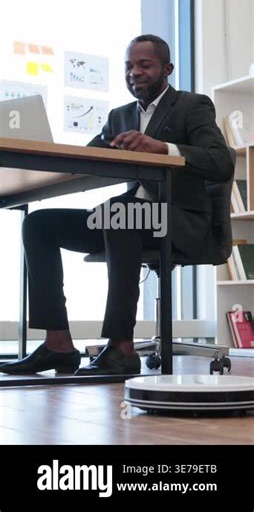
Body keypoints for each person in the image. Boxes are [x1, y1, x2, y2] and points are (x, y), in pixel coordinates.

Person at [0, 34, 234, 376]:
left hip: (180, 223)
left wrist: (163, 148)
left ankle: (121, 348)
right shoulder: (119, 116)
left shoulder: (191, 106)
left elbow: (220, 162)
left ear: (167, 69)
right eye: (128, 66)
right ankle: (58, 345)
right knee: (39, 224)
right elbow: (86, 161)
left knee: (119, 215)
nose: (134, 73)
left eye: (144, 65)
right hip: (124, 221)